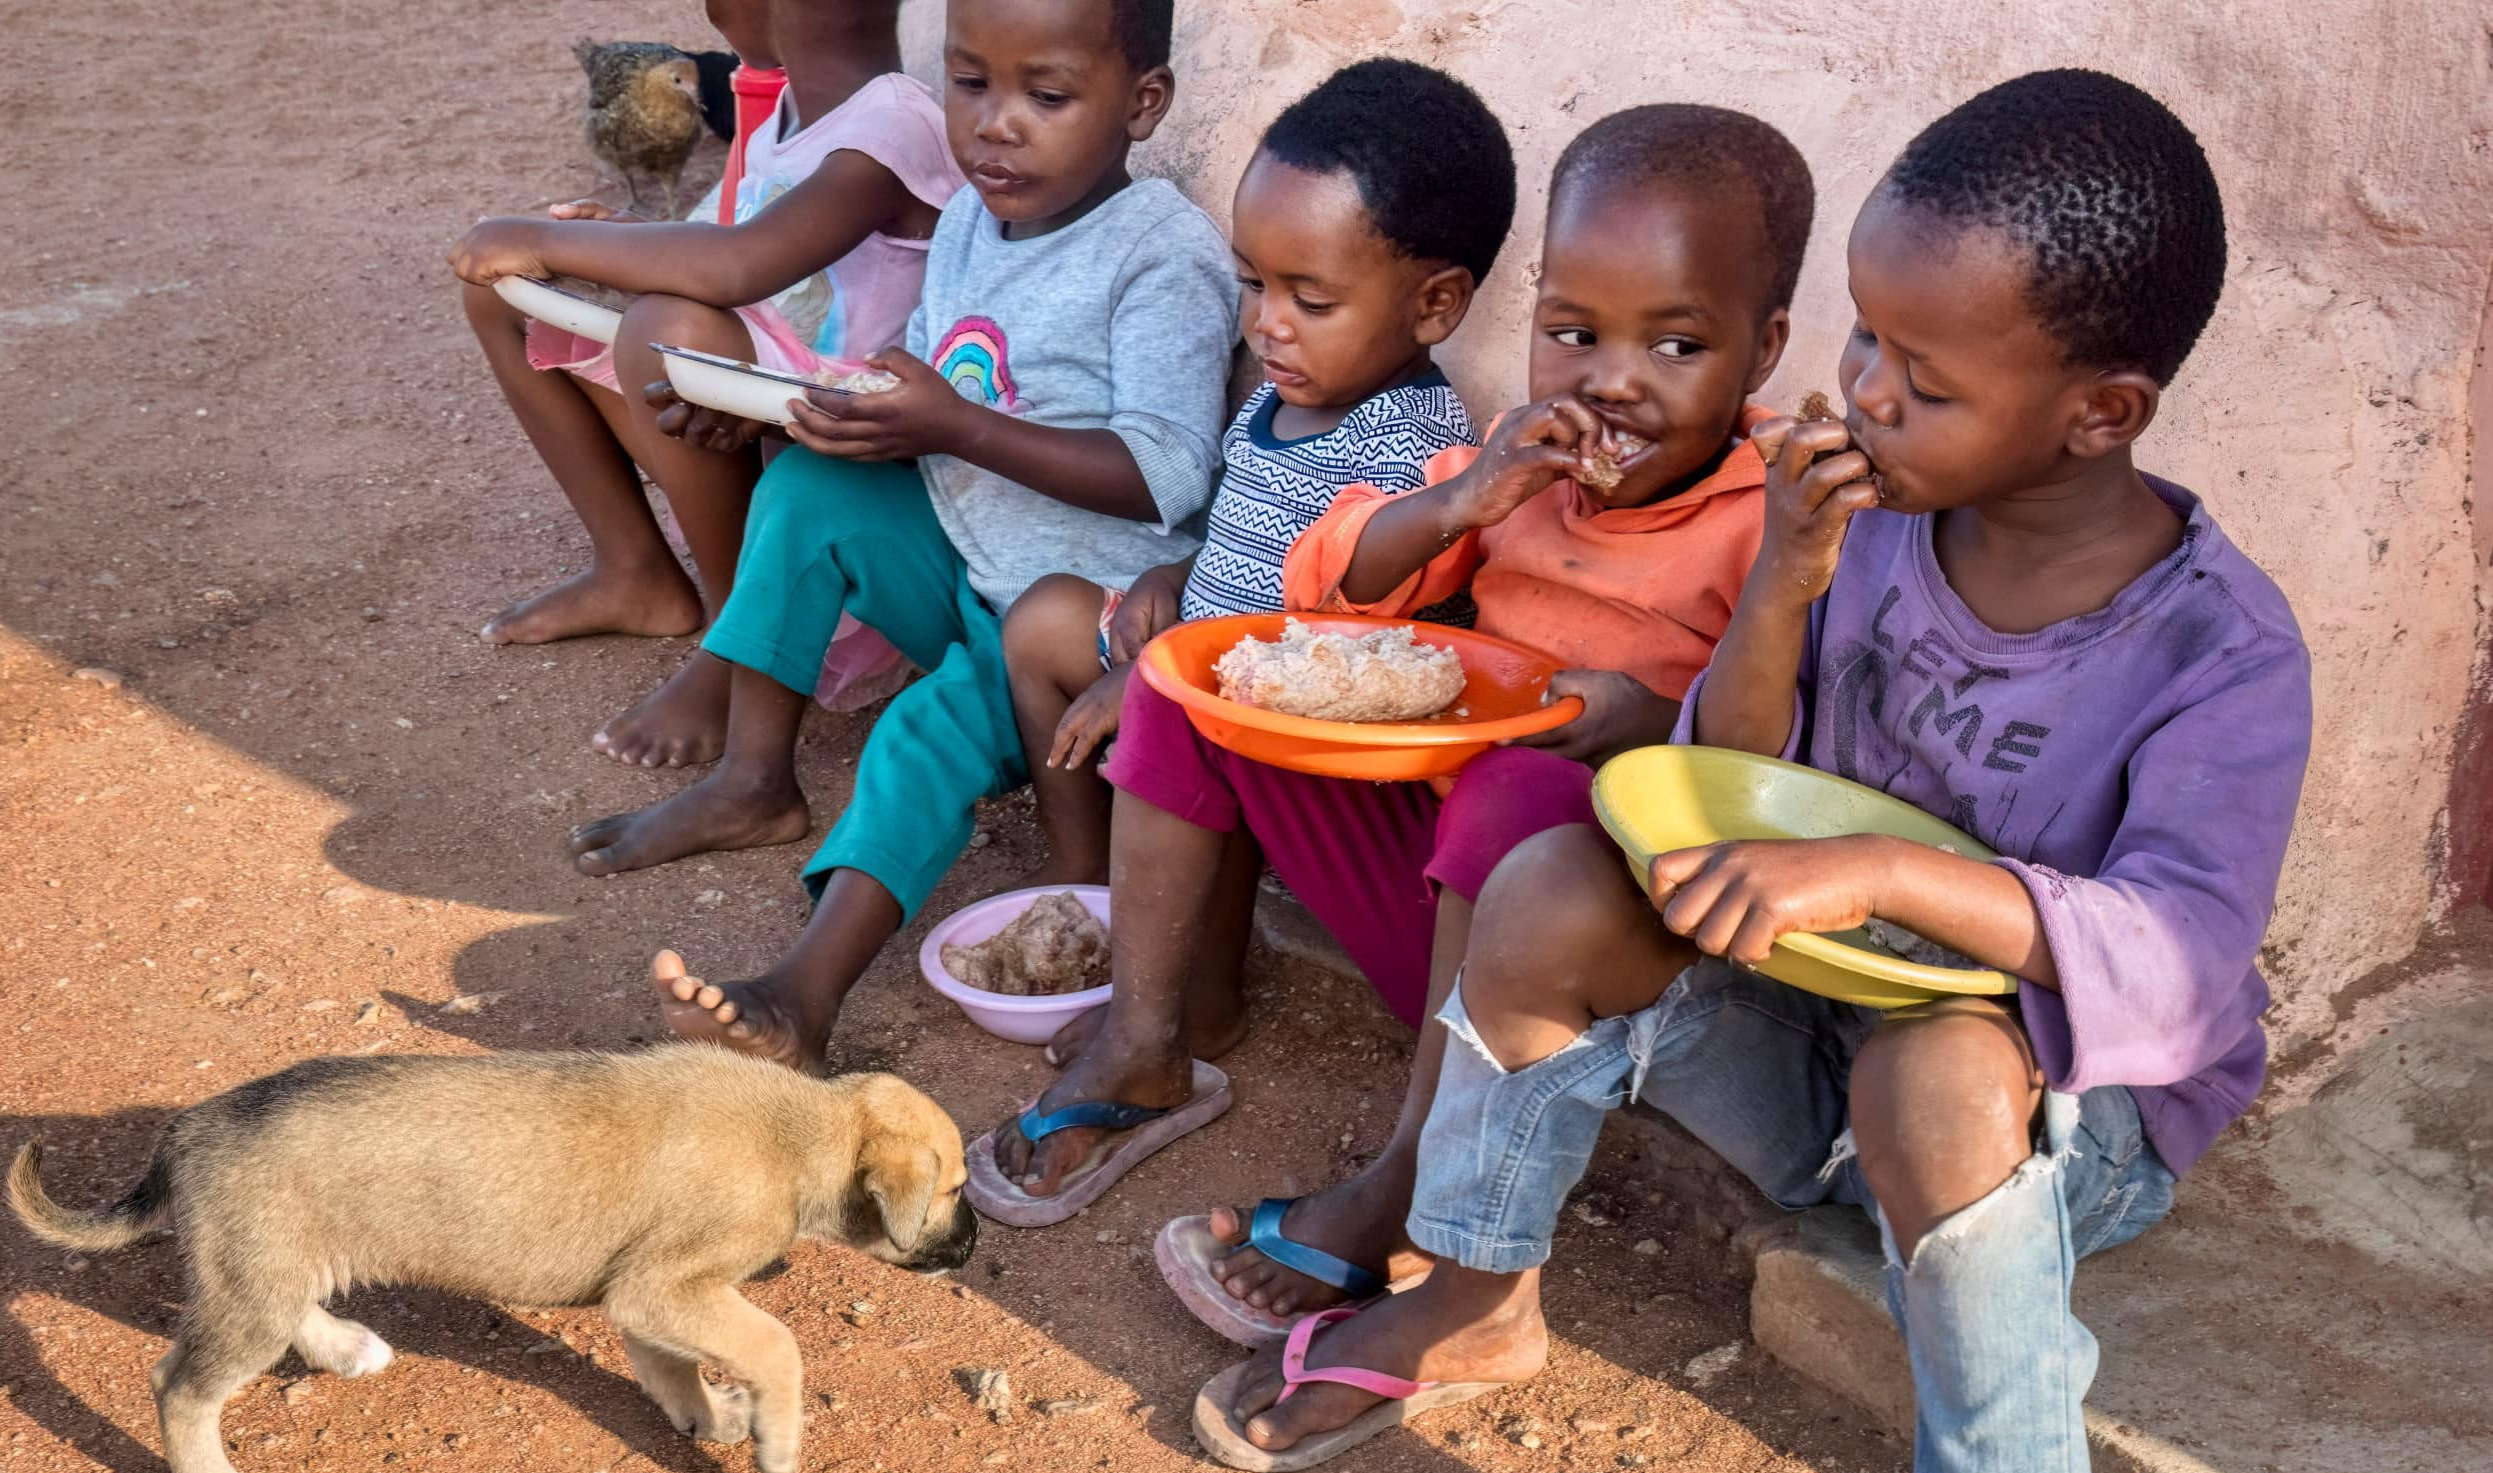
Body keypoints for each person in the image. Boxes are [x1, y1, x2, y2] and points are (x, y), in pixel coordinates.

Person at [1197, 71, 2309, 1473]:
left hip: (2045, 1118)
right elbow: (1730, 769)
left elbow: (2189, 961)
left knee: (1939, 1064)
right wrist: (1780, 587)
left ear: (2103, 409)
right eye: (1861, 341)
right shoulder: (1868, 524)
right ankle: (1474, 1289)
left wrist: (1886, 870)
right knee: (1559, 870)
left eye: (1915, 378)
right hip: (1811, 1028)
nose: (1857, 393)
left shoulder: (2221, 648)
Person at [972, 106, 1814, 1244]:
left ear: (1761, 351)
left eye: (1674, 346)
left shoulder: (1775, 527)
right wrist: (1466, 499)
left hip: (1586, 955)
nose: (1611, 383)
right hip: (1423, 896)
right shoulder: (1521, 460)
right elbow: (1330, 576)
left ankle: (1418, 1170)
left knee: (1515, 790)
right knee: (1192, 671)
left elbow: (1776, 758)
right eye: (1571, 332)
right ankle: (1148, 1036)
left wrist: (1645, 716)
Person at [610, 0, 1236, 1075]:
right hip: (963, 554)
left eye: (1044, 95)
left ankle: (803, 993)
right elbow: (942, 400)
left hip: (1075, 629)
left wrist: (956, 424)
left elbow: (1167, 476)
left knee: (921, 732)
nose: (996, 125)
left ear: (1143, 104)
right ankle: (756, 777)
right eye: (968, 82)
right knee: (807, 487)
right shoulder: (969, 222)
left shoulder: (1159, 256)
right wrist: (808, 413)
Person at [999, 56, 1512, 898]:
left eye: (1309, 301)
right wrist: (1175, 576)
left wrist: (1158, 672)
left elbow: (1334, 633)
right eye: (1252, 283)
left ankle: (1200, 994)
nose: (1267, 326)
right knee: (1042, 621)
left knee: (1187, 732)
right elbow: (1243, 537)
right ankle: (1085, 871)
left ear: (1434, 305)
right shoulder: (1278, 397)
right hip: (1197, 655)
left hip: (1288, 718)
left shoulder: (1409, 440)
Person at [449, 0, 962, 769]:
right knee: (503, 293)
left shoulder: (892, 130)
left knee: (668, 328)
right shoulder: (797, 108)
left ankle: (738, 640)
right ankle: (636, 570)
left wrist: (548, 238)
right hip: (749, 426)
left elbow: (736, 267)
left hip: (837, 482)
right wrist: (605, 241)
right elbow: (733, 243)